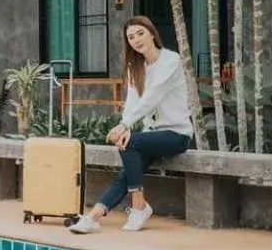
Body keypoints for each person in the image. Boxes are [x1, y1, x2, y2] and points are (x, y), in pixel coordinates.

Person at [69, 16, 193, 234]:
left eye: (140, 34)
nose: (136, 40)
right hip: (150, 135)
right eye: (131, 37)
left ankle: (139, 205)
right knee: (127, 163)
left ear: (152, 33)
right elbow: (133, 102)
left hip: (176, 134)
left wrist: (125, 126)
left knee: (130, 144)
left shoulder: (171, 61)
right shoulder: (135, 67)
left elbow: (153, 96)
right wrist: (123, 127)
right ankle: (94, 216)